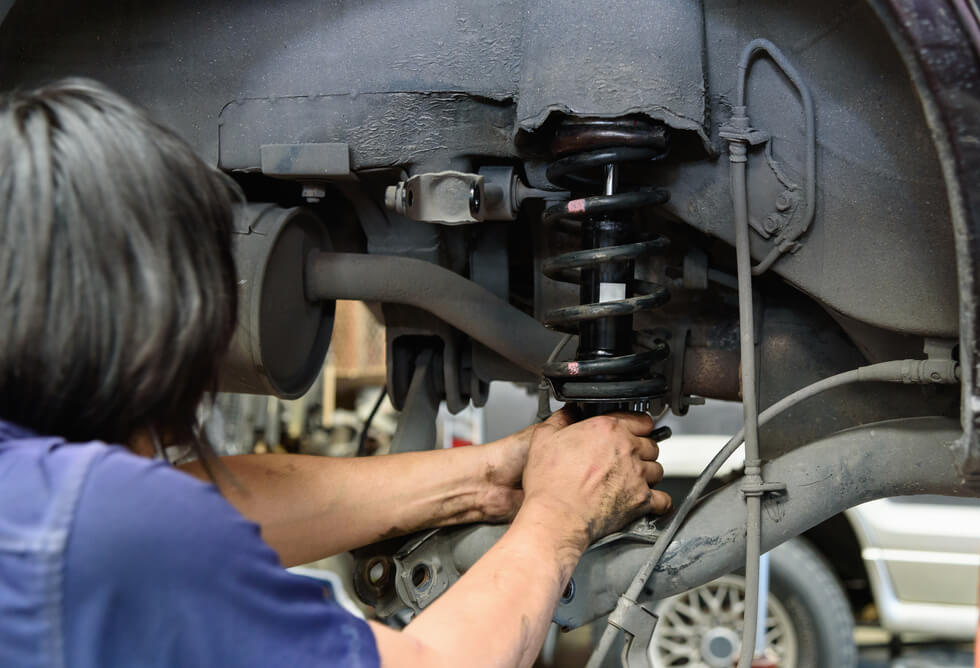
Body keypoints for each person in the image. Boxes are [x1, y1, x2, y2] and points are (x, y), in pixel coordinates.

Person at [0, 79, 670, 667]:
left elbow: (206, 508)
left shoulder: (35, 502)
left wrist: (495, 473)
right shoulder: (89, 532)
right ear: (154, 318)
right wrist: (558, 519)